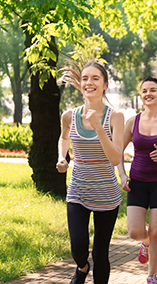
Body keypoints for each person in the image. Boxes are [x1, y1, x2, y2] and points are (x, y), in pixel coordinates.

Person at [56, 60, 125, 284]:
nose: (89, 82)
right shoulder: (69, 116)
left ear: (105, 85)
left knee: (100, 254)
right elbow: (64, 137)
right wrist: (62, 156)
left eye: (95, 78)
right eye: (85, 78)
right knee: (77, 246)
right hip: (78, 190)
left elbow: (116, 158)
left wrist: (98, 127)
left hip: (106, 195)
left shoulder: (115, 117)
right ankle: (82, 268)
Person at [117, 77, 157, 284]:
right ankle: (146, 243)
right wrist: (122, 175)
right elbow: (118, 152)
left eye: (153, 90)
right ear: (140, 95)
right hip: (138, 182)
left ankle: (152, 276)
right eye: (144, 91)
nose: (148, 94)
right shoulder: (133, 121)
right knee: (134, 232)